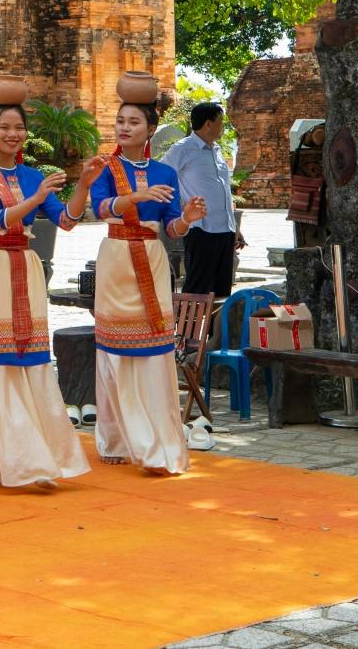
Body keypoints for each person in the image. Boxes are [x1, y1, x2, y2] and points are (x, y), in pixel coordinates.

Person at [0, 76, 102, 491]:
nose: (13, 134)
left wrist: (84, 185)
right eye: (4, 127)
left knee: (29, 363)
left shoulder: (35, 173)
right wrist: (34, 201)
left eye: (19, 128)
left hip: (25, 269)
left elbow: (67, 221)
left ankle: (33, 459)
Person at [85, 72, 207, 475]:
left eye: (133, 122)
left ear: (151, 129)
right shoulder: (104, 167)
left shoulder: (166, 173)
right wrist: (135, 197)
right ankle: (116, 436)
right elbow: (99, 209)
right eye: (120, 122)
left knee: (152, 349)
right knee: (114, 348)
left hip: (153, 258)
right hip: (117, 258)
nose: (124, 128)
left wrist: (187, 220)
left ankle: (154, 438)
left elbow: (171, 226)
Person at [163, 102, 242, 296]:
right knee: (197, 287)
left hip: (225, 230)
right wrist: (180, 210)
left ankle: (215, 327)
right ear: (208, 124)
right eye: (220, 121)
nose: (223, 126)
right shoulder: (182, 149)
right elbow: (162, 178)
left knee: (222, 289)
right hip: (201, 230)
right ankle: (187, 327)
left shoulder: (217, 151)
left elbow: (224, 192)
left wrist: (236, 228)